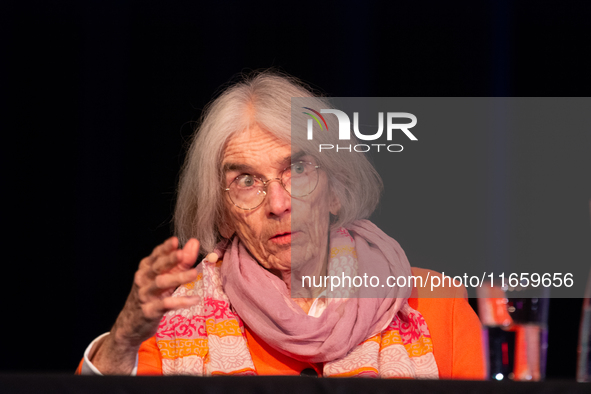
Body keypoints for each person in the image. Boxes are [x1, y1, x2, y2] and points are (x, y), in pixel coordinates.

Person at [77, 71, 485, 379]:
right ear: (222, 213)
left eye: (299, 170)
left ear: (336, 190)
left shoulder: (435, 304)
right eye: (246, 181)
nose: (278, 203)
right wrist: (125, 338)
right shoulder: (174, 315)